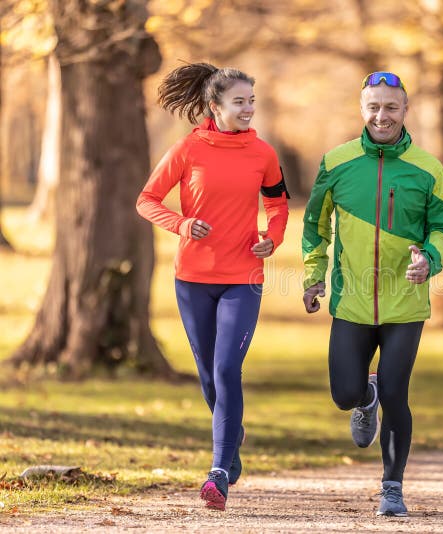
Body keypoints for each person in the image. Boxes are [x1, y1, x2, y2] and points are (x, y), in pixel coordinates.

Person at [302, 71, 443, 517]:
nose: (382, 115)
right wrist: (314, 275)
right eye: (374, 106)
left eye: (391, 107)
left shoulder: (429, 169)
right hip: (350, 301)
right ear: (362, 109)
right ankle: (362, 398)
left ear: (406, 110)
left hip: (404, 305)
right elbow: (315, 225)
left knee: (396, 393)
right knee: (343, 392)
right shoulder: (336, 162)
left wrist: (429, 257)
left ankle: (392, 487)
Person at [136, 62, 290, 511]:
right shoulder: (187, 149)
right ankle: (232, 435)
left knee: (226, 371)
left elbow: (278, 204)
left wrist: (272, 238)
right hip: (193, 279)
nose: (248, 108)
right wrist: (182, 224)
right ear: (215, 106)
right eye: (239, 101)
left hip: (243, 277)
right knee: (208, 374)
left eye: (251, 101)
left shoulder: (262, 153)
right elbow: (146, 200)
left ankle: (218, 471)